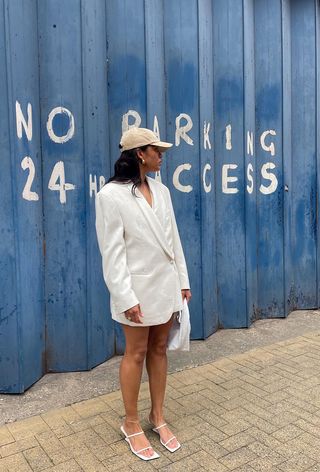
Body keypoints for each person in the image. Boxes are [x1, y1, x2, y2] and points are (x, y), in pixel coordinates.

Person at [95, 127, 191, 461]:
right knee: (135, 353)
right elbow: (112, 253)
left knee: (160, 348)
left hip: (165, 284)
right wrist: (125, 298)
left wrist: (183, 280)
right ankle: (131, 421)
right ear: (140, 154)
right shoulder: (110, 196)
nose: (161, 157)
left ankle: (158, 416)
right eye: (156, 151)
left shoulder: (161, 190)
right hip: (135, 290)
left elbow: (173, 237)